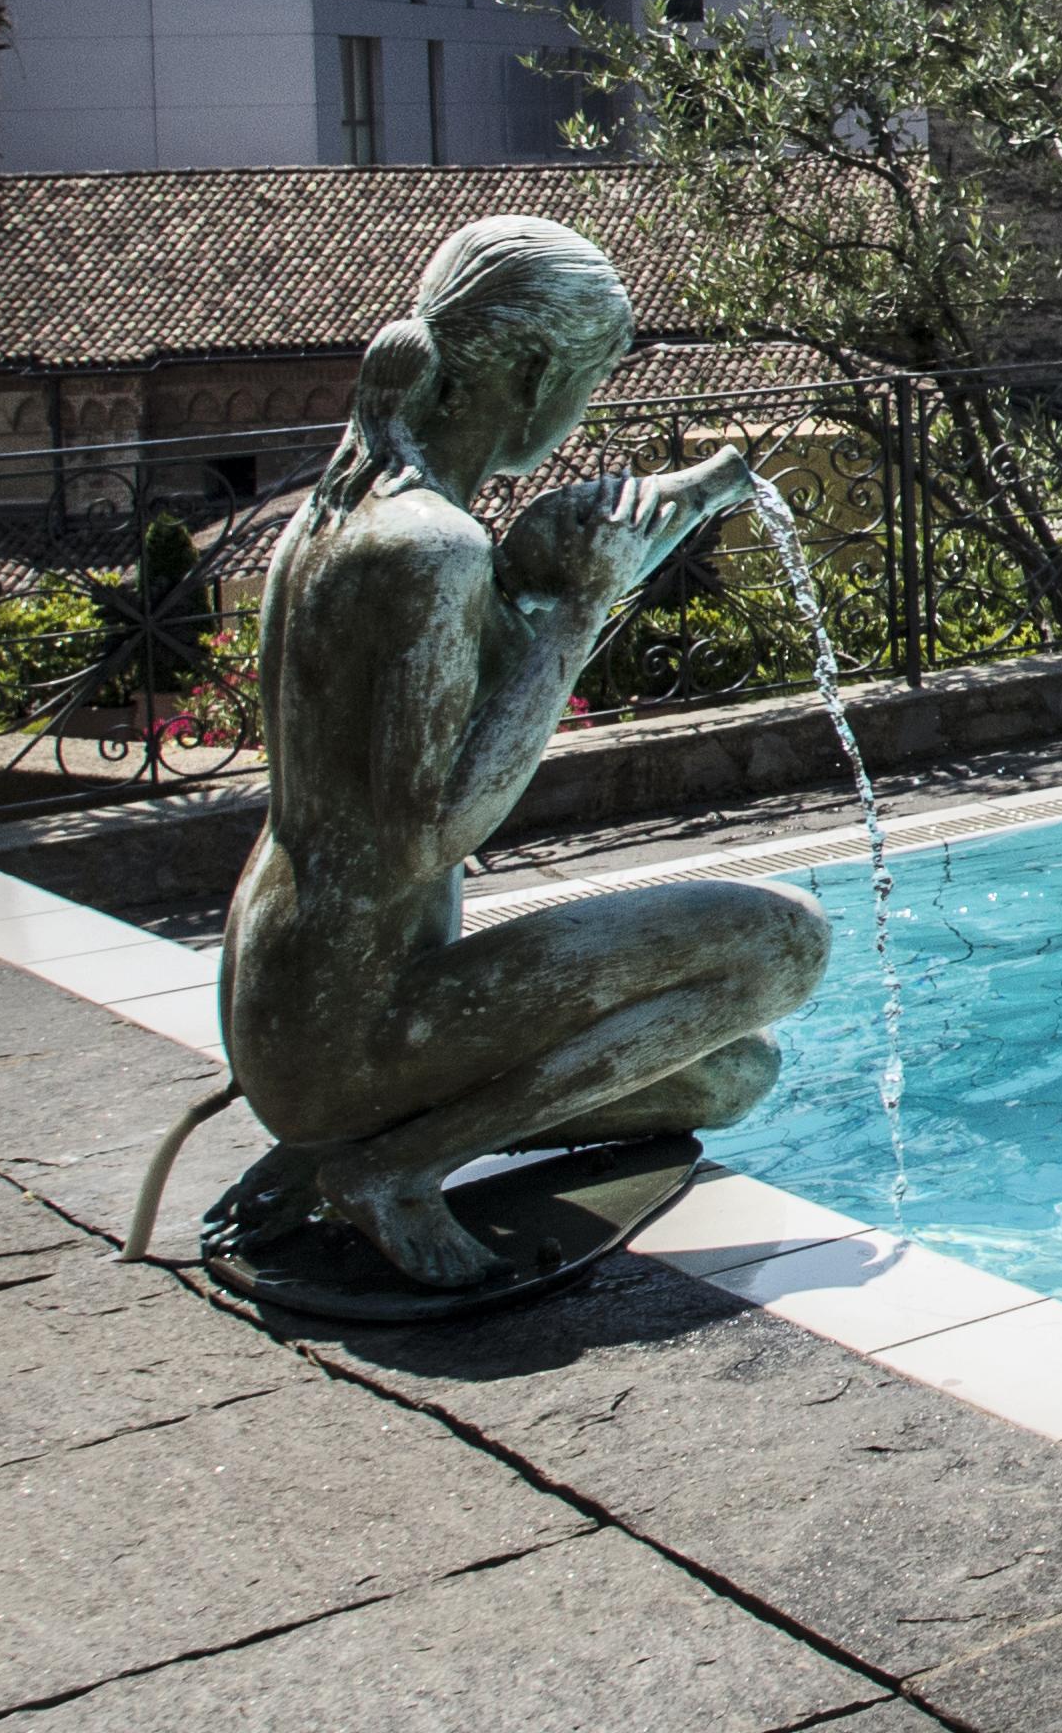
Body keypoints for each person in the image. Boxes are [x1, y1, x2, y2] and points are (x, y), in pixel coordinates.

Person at [216, 220, 828, 1287]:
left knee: (731, 1070)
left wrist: (707, 488)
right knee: (784, 946)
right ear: (540, 370)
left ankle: (336, 1145)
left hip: (276, 1003)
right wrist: (582, 608)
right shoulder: (430, 548)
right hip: (352, 1021)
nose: (581, 410)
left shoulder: (338, 509)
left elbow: (509, 599)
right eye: (587, 381)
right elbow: (427, 834)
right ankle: (395, 1167)